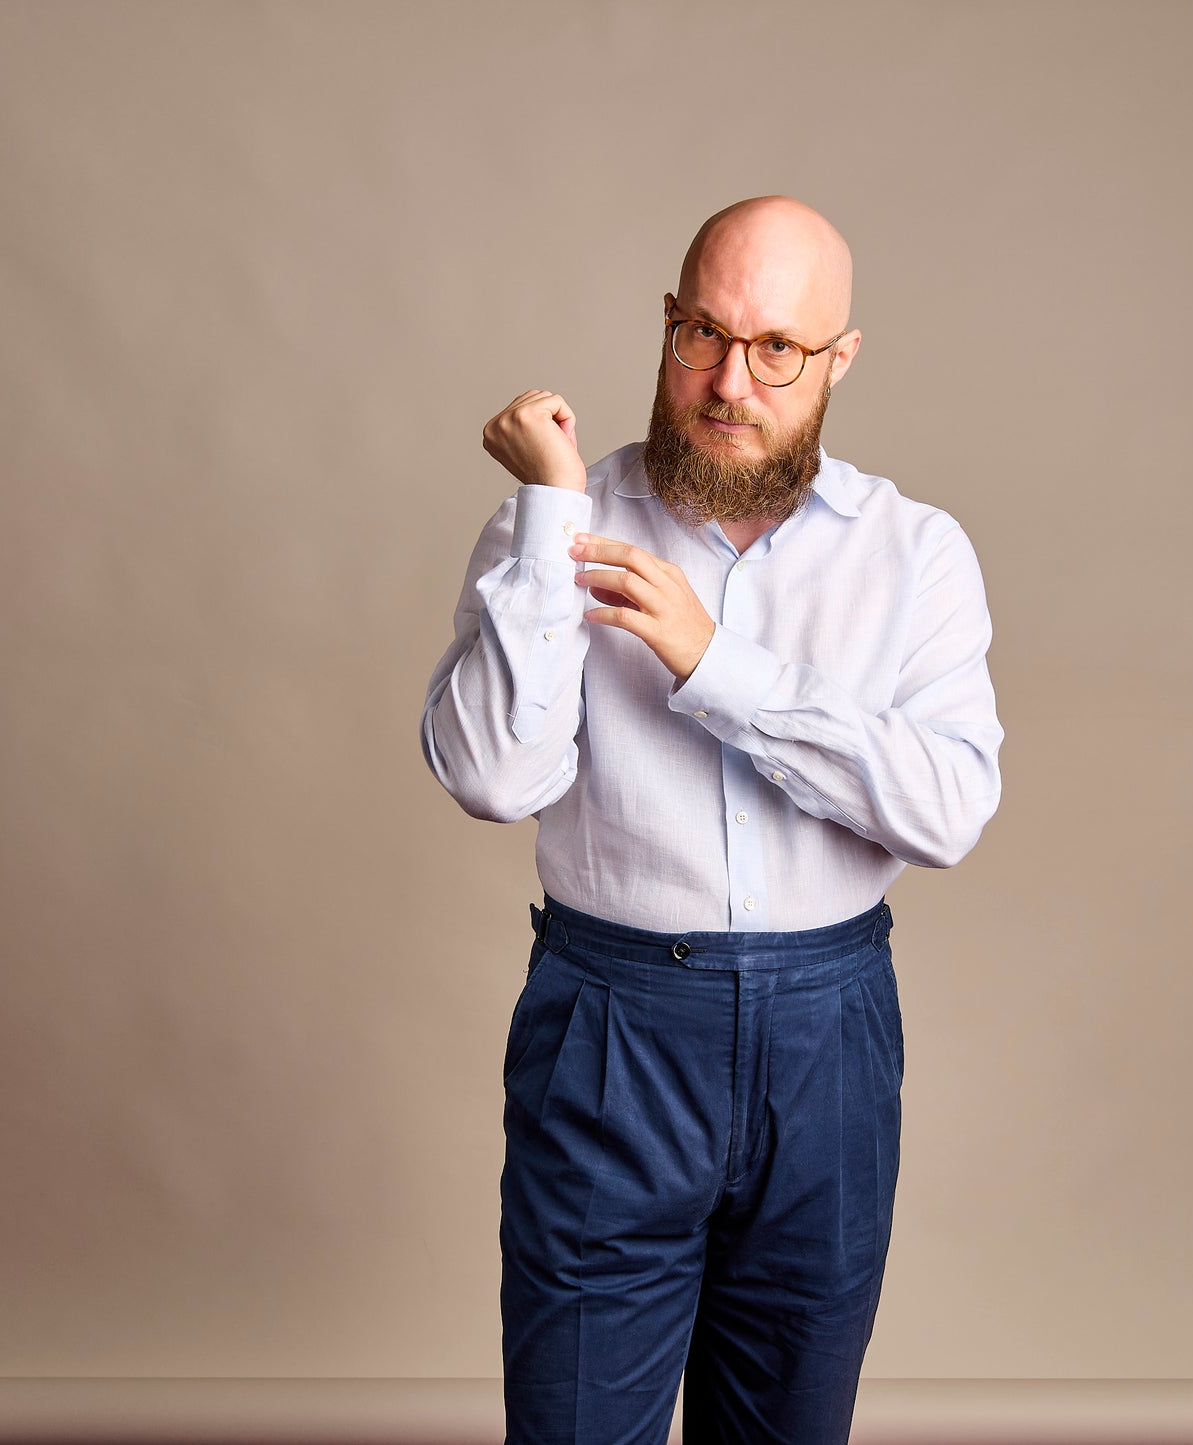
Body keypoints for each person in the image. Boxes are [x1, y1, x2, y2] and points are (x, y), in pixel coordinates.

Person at [420, 196, 1002, 1445]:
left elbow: (949, 808)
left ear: (838, 358)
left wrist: (714, 663)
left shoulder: (915, 555)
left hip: (827, 1039)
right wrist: (547, 516)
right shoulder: (555, 524)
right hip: (610, 1023)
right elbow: (488, 774)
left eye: (777, 348)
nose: (729, 380)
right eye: (702, 333)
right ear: (668, 322)